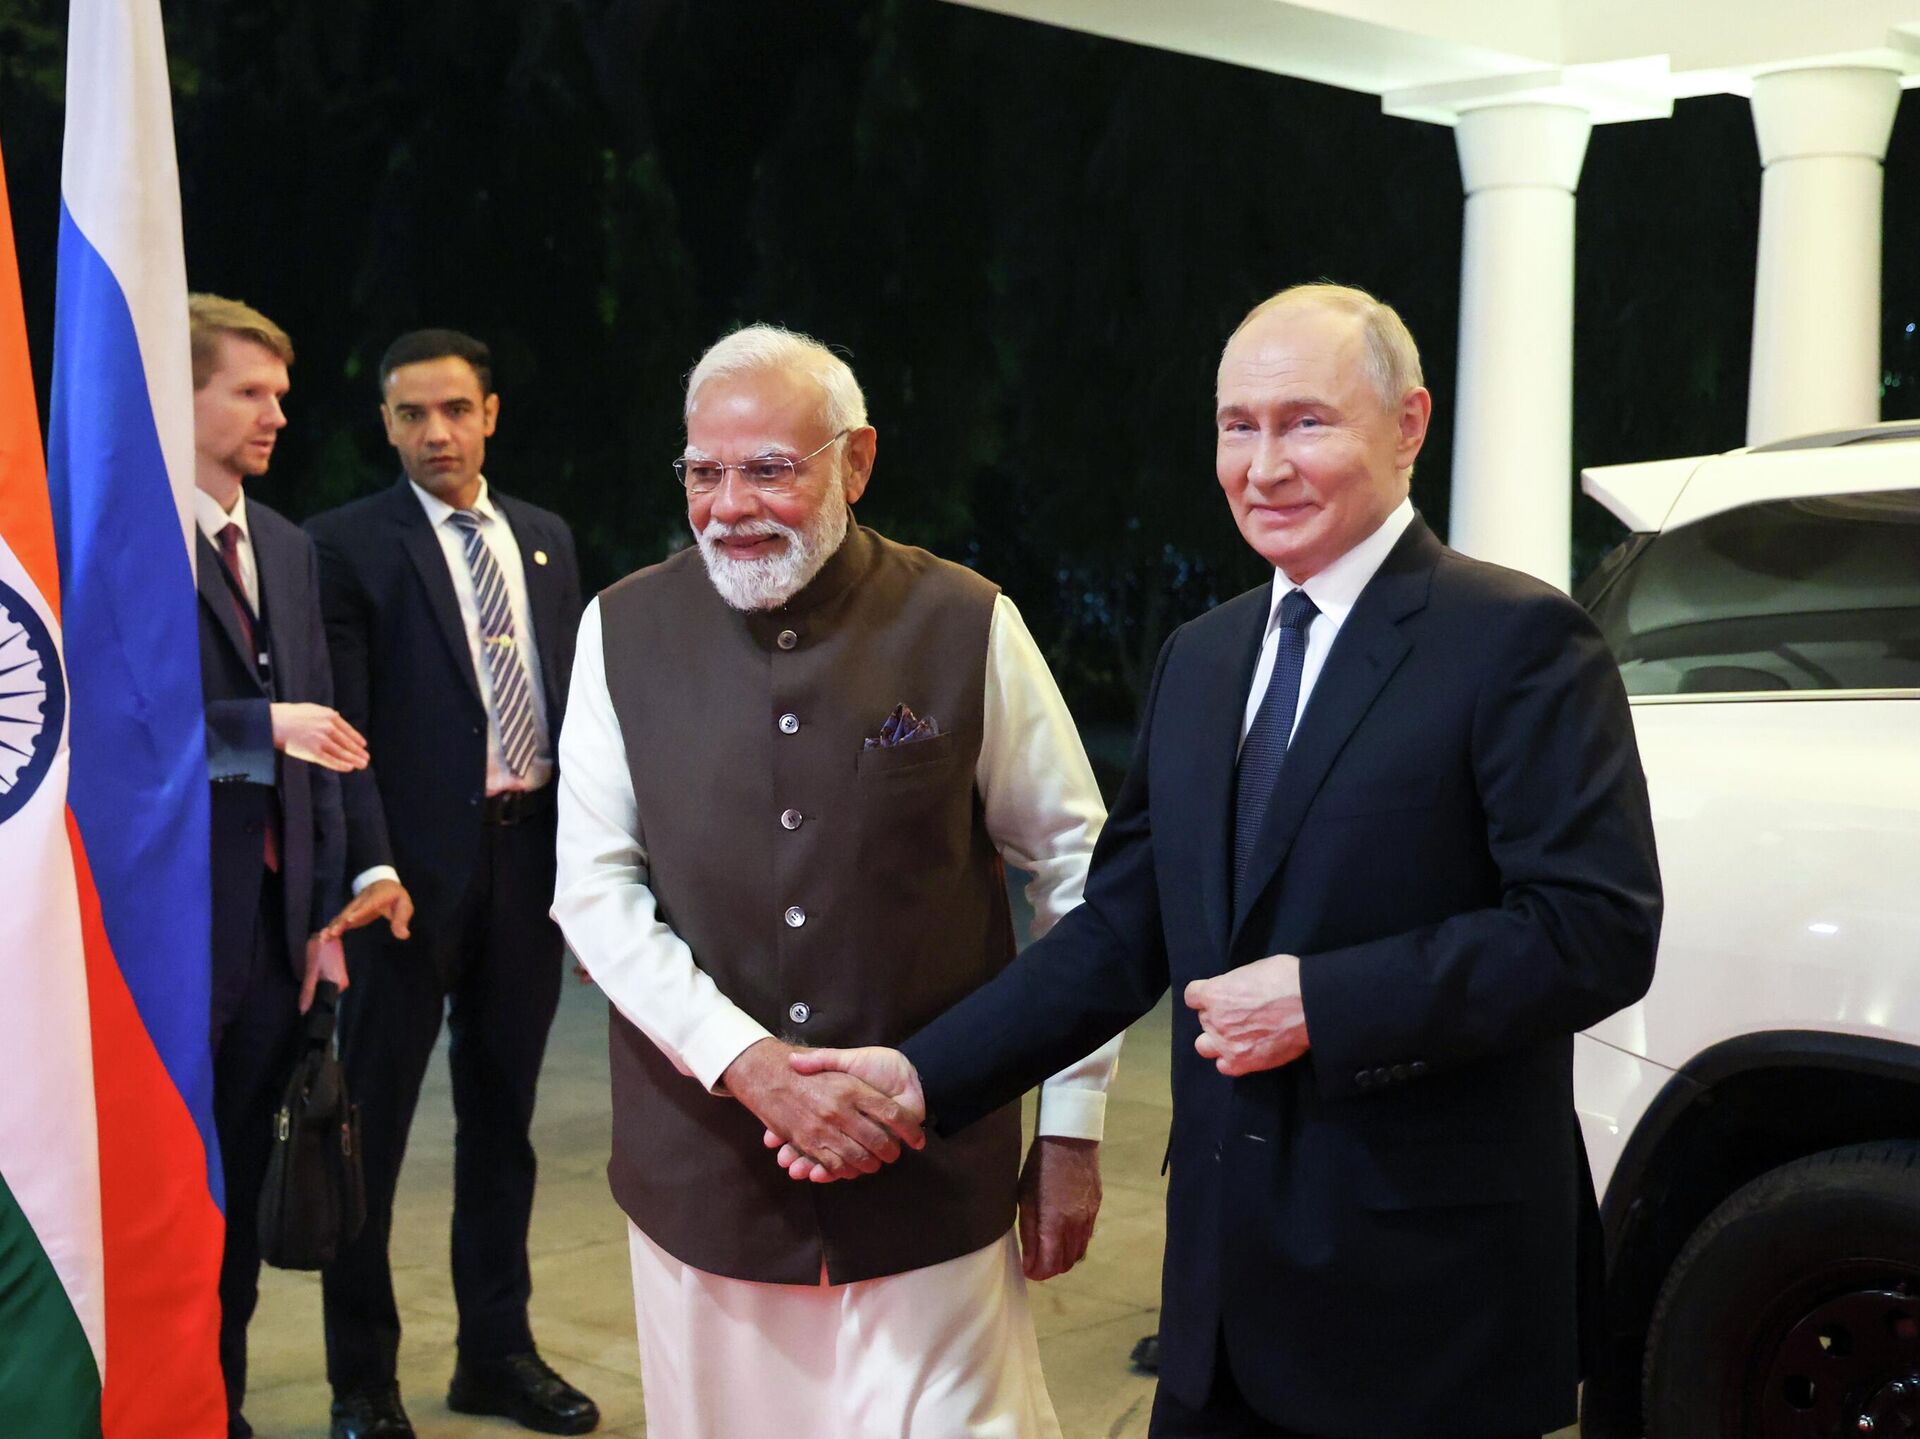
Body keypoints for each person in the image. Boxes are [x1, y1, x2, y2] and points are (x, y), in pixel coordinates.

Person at [780, 284, 1664, 1439]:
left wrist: (1322, 1001)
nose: (1264, 464)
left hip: (1425, 1302)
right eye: (1238, 426)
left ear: (1408, 424)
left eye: (1306, 422)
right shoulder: (1203, 656)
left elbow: (1595, 929)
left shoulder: (1518, 640)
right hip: (1219, 1298)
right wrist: (919, 1075)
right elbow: (1119, 927)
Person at [548, 323, 1121, 1439]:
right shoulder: (620, 628)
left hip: (932, 1169)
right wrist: (749, 1063)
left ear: (856, 462)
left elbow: (1078, 868)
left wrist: (1071, 1123)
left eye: (770, 468)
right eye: (704, 472)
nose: (730, 506)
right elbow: (594, 890)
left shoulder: (965, 618)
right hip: (706, 1178)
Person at [307, 330, 593, 1439]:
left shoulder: (546, 538)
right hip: (402, 883)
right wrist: (371, 863)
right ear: (385, 424)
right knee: (366, 1132)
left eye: (456, 410)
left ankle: (497, 1353)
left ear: (491, 414)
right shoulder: (346, 545)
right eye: (412, 414)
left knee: (503, 1120)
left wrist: (591, 873)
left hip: (526, 862)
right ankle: (362, 1379)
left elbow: (573, 710)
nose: (437, 432)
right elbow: (345, 733)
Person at [189, 293, 361, 1439]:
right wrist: (260, 728)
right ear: (181, 393)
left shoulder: (288, 547)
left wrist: (325, 915)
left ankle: (221, 1402)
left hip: (273, 930)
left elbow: (327, 747)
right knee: (164, 1185)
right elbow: (105, 730)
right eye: (249, 390)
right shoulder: (115, 535)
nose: (277, 413)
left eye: (281, 393)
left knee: (245, 1173)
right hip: (161, 929)